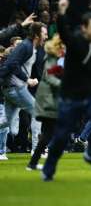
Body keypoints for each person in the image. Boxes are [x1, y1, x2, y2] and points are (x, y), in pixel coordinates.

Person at [42, 0, 91, 181]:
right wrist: (61, 13)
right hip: (70, 98)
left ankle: (90, 153)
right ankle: (48, 169)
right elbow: (63, 32)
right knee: (61, 137)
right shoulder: (75, 41)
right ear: (84, 28)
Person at [0, 22, 48, 160]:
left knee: (5, 122)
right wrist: (27, 79)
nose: (46, 35)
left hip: (11, 88)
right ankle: (37, 150)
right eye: (44, 33)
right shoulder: (25, 46)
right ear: (37, 34)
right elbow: (12, 64)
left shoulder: (32, 47)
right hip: (16, 87)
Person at [27, 35, 65, 170]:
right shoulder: (52, 59)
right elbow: (50, 77)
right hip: (48, 99)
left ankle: (33, 163)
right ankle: (37, 162)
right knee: (51, 131)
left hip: (51, 98)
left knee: (49, 132)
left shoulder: (58, 59)